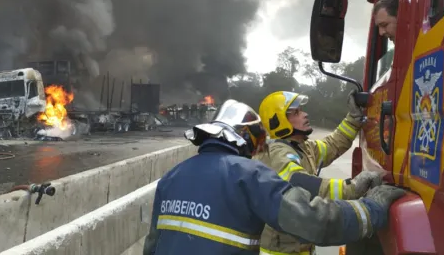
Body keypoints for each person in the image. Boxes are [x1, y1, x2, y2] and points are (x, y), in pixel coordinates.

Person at [142, 99, 406, 255]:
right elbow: (315, 220)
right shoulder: (250, 175)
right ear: (245, 137)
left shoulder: (172, 177)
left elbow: (152, 245)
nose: (259, 149)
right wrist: (371, 209)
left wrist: (352, 119)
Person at [254, 90, 379, 255]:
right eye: (296, 113)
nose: (305, 115)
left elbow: (333, 144)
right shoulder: (277, 152)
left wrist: (353, 119)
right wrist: (353, 187)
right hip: (281, 251)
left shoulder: (303, 147)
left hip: (299, 245)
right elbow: (301, 184)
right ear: (279, 121)